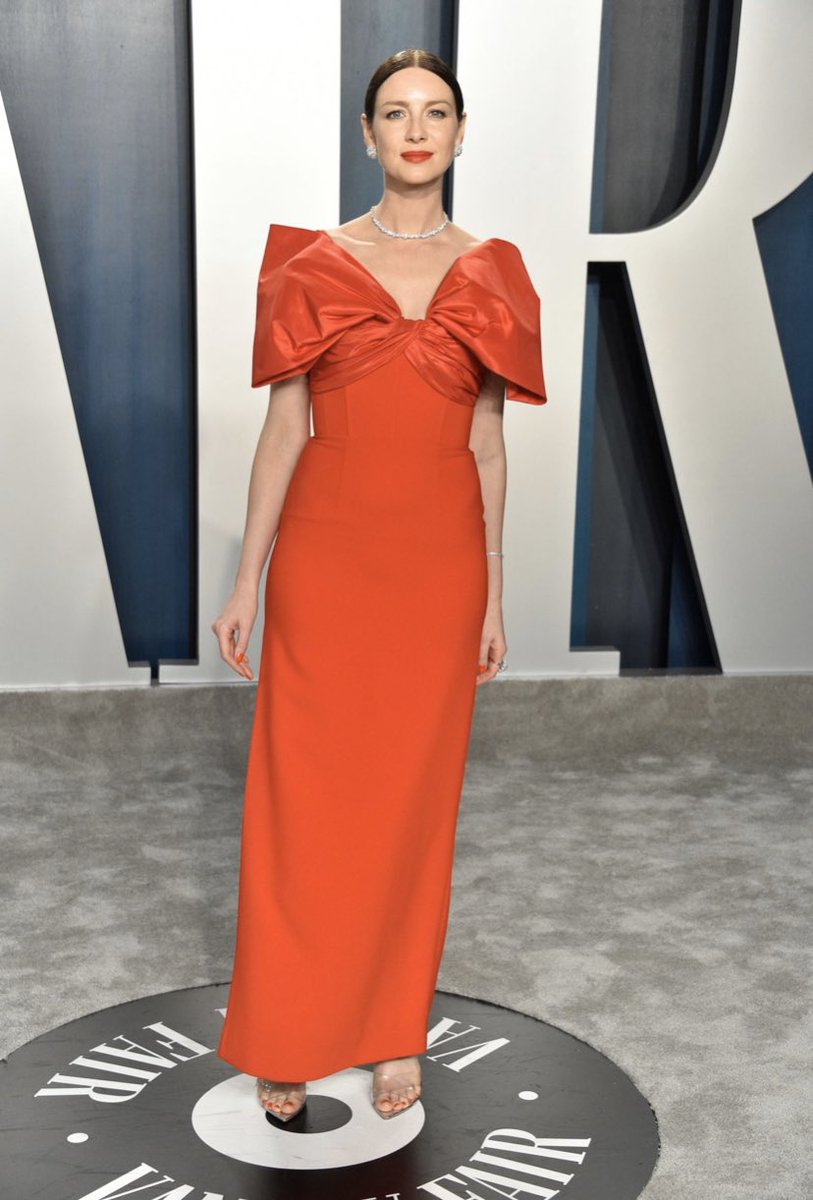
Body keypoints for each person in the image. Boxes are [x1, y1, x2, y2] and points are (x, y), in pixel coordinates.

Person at [211, 47, 547, 1126]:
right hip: (326, 560)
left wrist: (494, 591)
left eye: (434, 112)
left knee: (414, 804)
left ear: (460, 133)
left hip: (438, 567)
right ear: (367, 135)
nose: (415, 130)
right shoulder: (314, 265)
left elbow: (488, 442)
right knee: (303, 804)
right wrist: (247, 581)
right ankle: (288, 1033)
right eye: (395, 113)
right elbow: (282, 433)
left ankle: (395, 1027)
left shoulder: (494, 271)